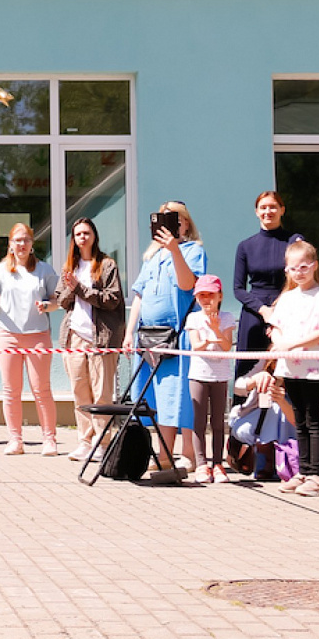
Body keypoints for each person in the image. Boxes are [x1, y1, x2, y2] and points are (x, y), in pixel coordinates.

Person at [124, 201, 206, 482]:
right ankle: (163, 454)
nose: (170, 223)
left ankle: (169, 455)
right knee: (152, 397)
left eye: (176, 218)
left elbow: (187, 285)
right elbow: (139, 295)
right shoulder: (151, 257)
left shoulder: (193, 250)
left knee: (174, 395)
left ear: (185, 223)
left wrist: (174, 250)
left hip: (175, 337)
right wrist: (128, 332)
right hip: (148, 336)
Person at [264, 240, 319, 496]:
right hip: (290, 367)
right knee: (299, 419)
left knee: (314, 418)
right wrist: (279, 343)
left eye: (304, 267)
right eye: (293, 268)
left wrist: (292, 343)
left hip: (313, 367)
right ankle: (304, 470)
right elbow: (275, 327)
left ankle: (318, 475)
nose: (299, 272)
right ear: (287, 270)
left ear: (314, 266)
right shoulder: (286, 298)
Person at [0, 223, 60, 455]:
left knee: (42, 389)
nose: (22, 244)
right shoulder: (1, 270)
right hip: (7, 335)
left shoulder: (44, 270)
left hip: (38, 336)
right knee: (11, 390)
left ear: (32, 243)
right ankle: (15, 440)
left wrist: (47, 305)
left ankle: (49, 439)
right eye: (17, 240)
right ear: (10, 244)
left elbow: (56, 302)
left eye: (26, 239)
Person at [53, 218, 125, 462]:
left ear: (94, 235)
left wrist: (81, 289)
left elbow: (112, 299)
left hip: (101, 338)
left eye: (86, 233)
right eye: (77, 234)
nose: (82, 237)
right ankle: (85, 440)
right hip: (74, 337)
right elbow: (61, 300)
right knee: (80, 392)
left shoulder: (106, 265)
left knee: (102, 394)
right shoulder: (69, 267)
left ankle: (102, 442)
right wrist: (69, 288)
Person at [232, 191, 303, 384]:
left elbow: (299, 278)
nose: (268, 211)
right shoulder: (245, 246)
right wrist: (263, 310)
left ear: (282, 210)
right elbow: (238, 289)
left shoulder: (293, 241)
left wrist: (279, 310)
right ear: (256, 212)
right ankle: (245, 412)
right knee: (248, 370)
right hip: (254, 313)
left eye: (273, 207)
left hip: (286, 308)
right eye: (263, 207)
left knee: (285, 368)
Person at [186, 275, 236, 484]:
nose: (206, 300)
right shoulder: (193, 318)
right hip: (198, 375)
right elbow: (195, 345)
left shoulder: (227, 317)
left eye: (210, 295)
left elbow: (226, 346)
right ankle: (200, 464)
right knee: (199, 421)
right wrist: (207, 339)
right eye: (202, 295)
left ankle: (218, 464)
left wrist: (216, 329)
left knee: (218, 421)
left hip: (220, 376)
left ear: (219, 296)